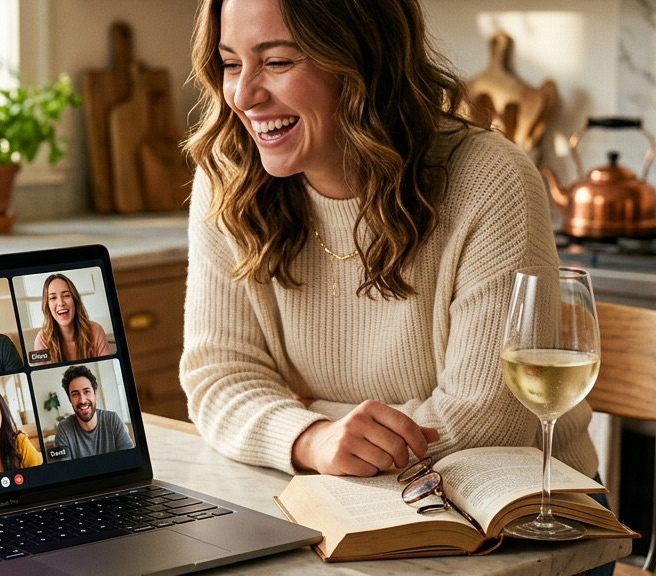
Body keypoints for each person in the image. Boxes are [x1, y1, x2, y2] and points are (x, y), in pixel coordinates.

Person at [180, 0, 598, 484]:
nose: (244, 95)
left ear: (361, 59)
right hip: (341, 499)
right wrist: (314, 437)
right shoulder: (229, 177)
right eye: (231, 64)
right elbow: (218, 380)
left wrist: (310, 414)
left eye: (277, 62)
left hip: (522, 519)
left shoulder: (491, 179)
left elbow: (490, 421)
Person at [52, 365, 134, 459]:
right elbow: (64, 471)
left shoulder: (112, 420)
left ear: (95, 394)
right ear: (70, 399)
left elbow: (129, 459)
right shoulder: (63, 430)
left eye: (86, 391)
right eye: (75, 394)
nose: (82, 400)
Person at [32, 274, 112, 364]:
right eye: (53, 298)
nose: (61, 303)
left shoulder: (96, 331)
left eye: (66, 295)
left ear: (75, 300)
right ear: (47, 306)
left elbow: (109, 366)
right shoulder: (41, 340)